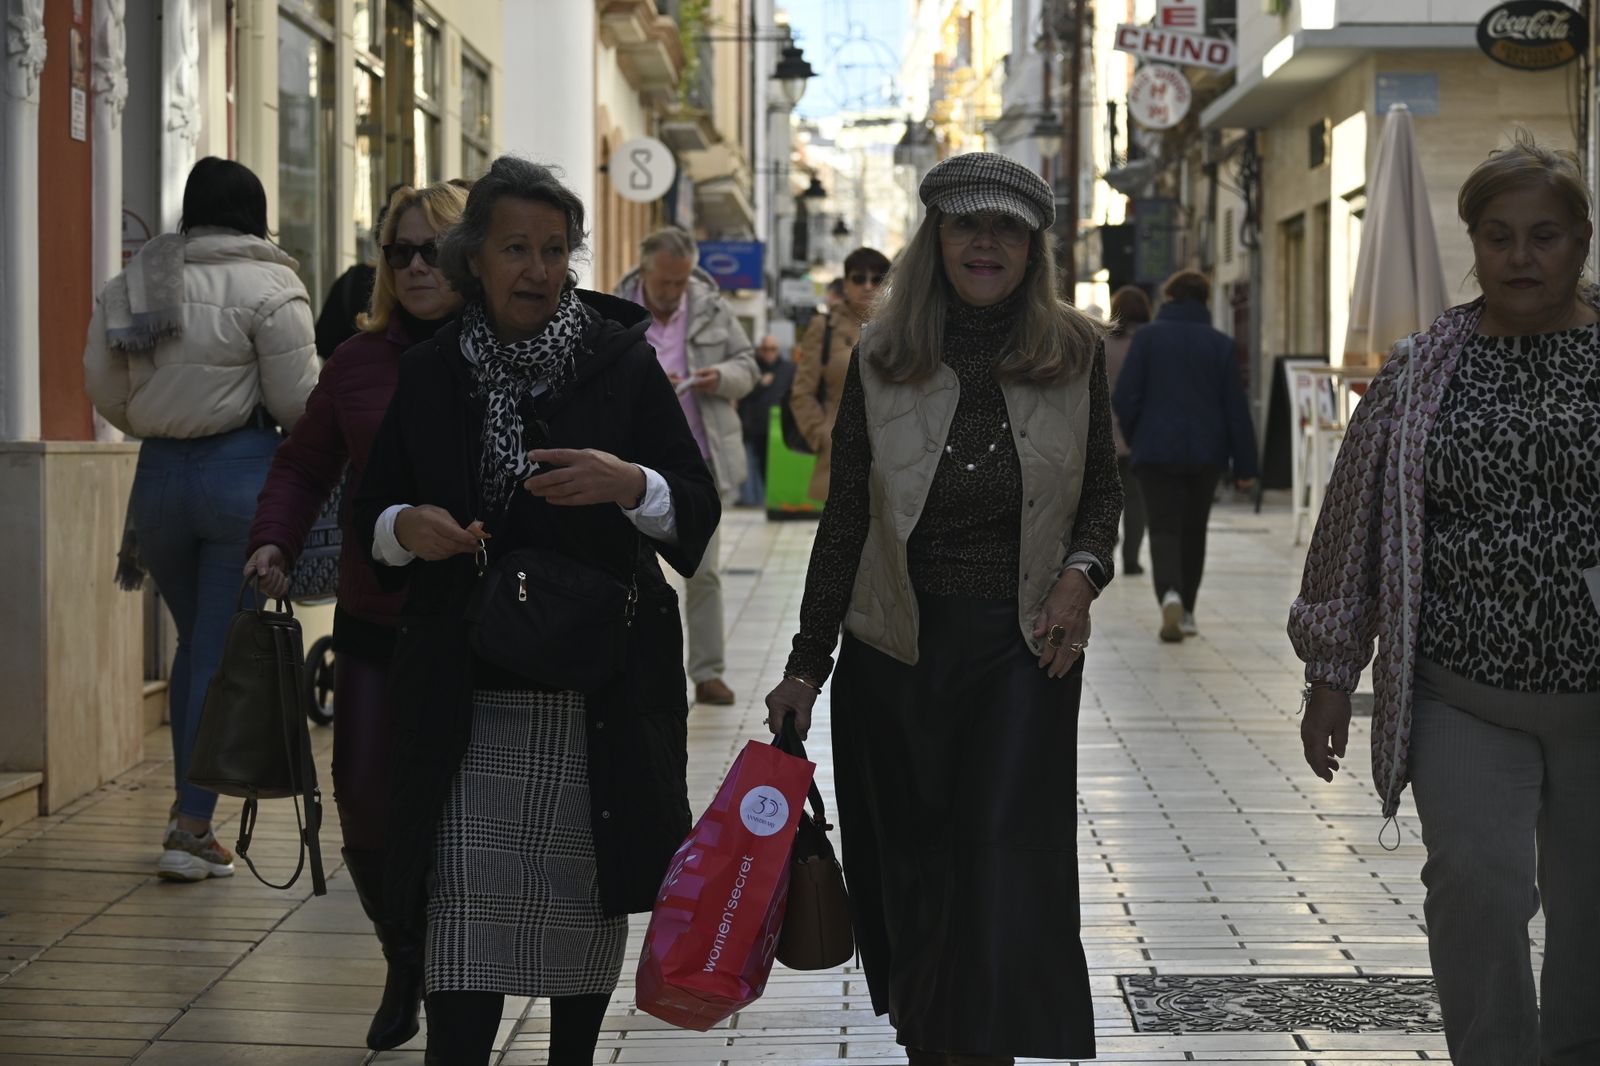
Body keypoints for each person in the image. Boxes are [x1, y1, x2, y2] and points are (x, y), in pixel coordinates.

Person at [353, 157, 719, 1065]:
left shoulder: (619, 363)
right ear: (474, 258)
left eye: (555, 250)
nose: (538, 269)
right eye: (516, 248)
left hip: (594, 702)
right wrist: (413, 528)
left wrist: (627, 482)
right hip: (465, 703)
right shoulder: (435, 372)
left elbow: (696, 509)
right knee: (462, 964)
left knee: (579, 945)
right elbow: (371, 515)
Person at [764, 153, 1121, 1065]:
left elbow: (1102, 497)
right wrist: (808, 665)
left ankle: (984, 1046)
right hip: (896, 651)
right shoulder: (883, 356)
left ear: (1033, 246)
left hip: (1021, 649)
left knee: (1000, 864)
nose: (987, 243)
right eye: (968, 224)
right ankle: (935, 1040)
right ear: (938, 239)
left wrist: (1081, 577)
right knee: (912, 864)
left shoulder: (1075, 352)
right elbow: (846, 516)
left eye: (1007, 227)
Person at [1293, 133, 1600, 1066]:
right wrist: (1330, 674)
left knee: (1592, 914)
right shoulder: (1423, 368)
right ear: (1471, 243)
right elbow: (1351, 524)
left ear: (1581, 242)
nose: (1520, 257)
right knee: (1476, 885)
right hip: (1462, 690)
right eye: (1499, 236)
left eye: (1544, 236)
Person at [242, 180, 469, 1051]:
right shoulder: (359, 363)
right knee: (364, 805)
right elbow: (303, 466)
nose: (415, 266)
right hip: (379, 625)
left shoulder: (504, 354)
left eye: (433, 250)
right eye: (398, 251)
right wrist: (273, 541)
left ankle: (455, 976)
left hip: (485, 634)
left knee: (464, 815)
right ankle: (403, 954)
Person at [83, 157, 320, 881]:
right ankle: (190, 827)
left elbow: (104, 390)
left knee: (198, 649)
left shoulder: (137, 281)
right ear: (255, 213)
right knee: (218, 656)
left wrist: (165, 422)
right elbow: (296, 403)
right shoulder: (274, 285)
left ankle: (191, 818)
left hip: (156, 479)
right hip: (239, 476)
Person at [615, 227, 757, 706]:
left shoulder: (712, 306)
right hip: (630, 465)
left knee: (705, 571)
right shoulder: (614, 308)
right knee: (627, 572)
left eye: (681, 282)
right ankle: (628, 667)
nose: (673, 293)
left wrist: (718, 377)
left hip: (699, 461)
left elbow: (748, 367)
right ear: (644, 269)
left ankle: (708, 672)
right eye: (665, 283)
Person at [1112, 269, 1257, 642]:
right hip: (1207, 455)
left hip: (1155, 452)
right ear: (1205, 302)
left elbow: (1125, 397)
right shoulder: (1220, 344)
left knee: (1162, 528)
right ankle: (1188, 610)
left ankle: (1169, 593)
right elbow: (1235, 410)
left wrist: (1137, 435)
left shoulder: (1147, 339)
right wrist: (1246, 467)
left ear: (1170, 298)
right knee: (1194, 531)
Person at [789, 246, 889, 501]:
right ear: (845, 283)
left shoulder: (903, 328)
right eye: (858, 278)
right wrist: (823, 434)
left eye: (876, 279)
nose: (867, 286)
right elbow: (802, 392)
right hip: (841, 452)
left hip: (894, 451)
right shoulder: (824, 328)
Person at [1104, 285, 1151, 575]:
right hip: (1138, 433)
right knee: (1135, 501)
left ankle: (1104, 552)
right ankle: (1131, 559)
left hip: (1104, 432)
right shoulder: (1147, 344)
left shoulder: (1102, 342)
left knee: (1106, 499)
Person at [737, 333, 796, 506]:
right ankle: (756, 500)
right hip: (754, 427)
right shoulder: (752, 368)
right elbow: (742, 393)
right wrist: (760, 385)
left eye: (773, 349)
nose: (769, 353)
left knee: (776, 466)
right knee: (754, 465)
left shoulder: (788, 369)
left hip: (780, 429)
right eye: (765, 349)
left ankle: (772, 498)